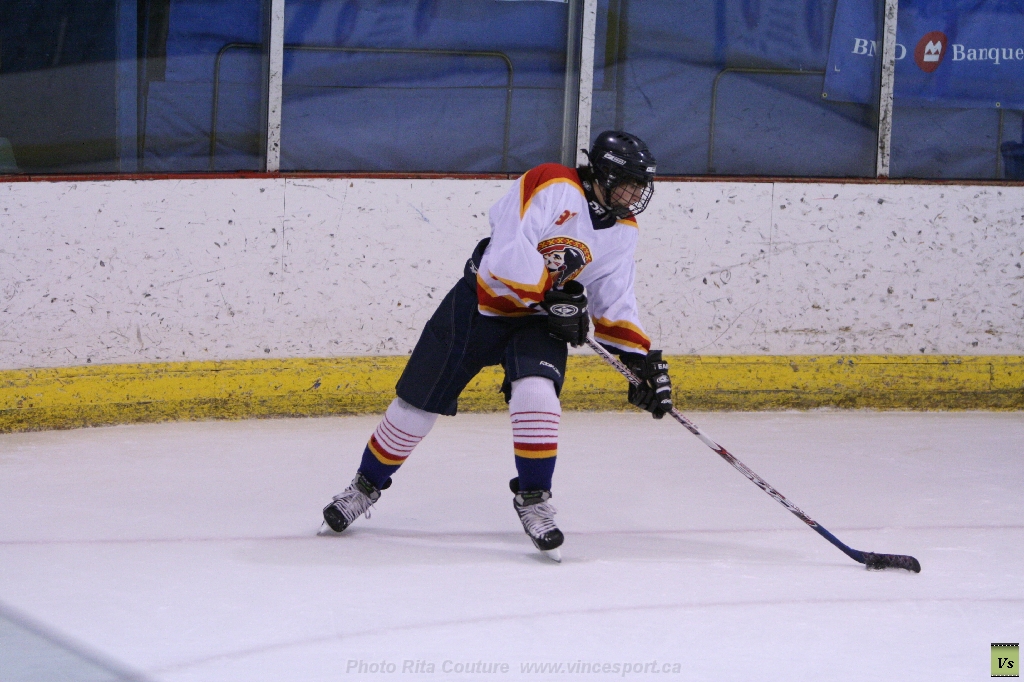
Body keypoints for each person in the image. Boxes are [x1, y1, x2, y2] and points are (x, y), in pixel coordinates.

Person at [320, 131, 674, 560]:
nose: (635, 194)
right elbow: (508, 248)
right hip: (479, 304)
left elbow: (615, 298)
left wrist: (639, 361)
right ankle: (363, 487)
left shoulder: (623, 230)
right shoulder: (552, 182)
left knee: (537, 395)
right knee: (416, 405)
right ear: (602, 174)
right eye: (629, 182)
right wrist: (553, 296)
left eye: (641, 185)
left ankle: (534, 500)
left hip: (538, 322)